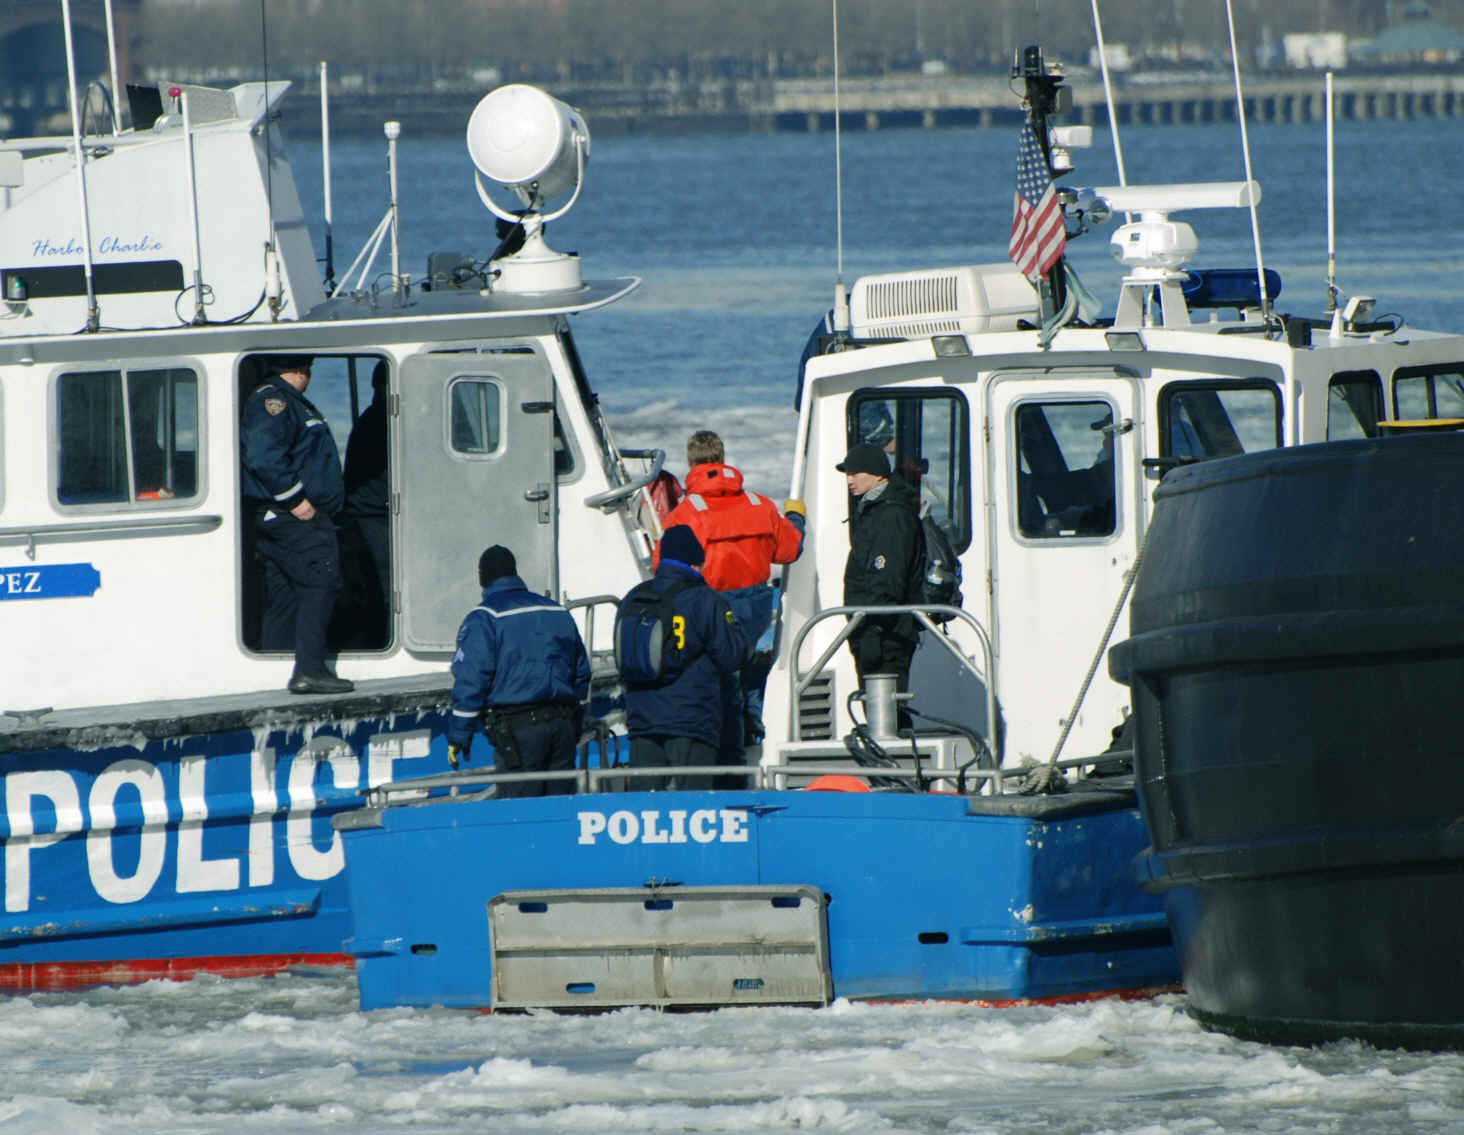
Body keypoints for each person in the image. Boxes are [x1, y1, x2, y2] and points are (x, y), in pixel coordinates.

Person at [657, 429, 805, 758]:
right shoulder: (759, 503)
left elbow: (663, 567)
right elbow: (790, 549)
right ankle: (753, 734)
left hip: (713, 608)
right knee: (750, 672)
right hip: (757, 609)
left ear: (690, 464)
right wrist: (796, 518)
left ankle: (727, 751)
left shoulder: (686, 513)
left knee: (721, 682)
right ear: (723, 460)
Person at [240, 355, 353, 695]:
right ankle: (310, 670)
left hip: (282, 518)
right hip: (290, 516)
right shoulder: (274, 402)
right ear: (300, 371)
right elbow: (263, 457)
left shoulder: (291, 402)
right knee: (322, 581)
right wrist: (295, 501)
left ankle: (278, 661)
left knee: (286, 594)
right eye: (308, 370)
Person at [448, 545, 591, 797]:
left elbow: (472, 679)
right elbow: (581, 671)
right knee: (561, 808)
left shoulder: (484, 617)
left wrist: (460, 734)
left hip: (519, 732)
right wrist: (575, 721)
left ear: (483, 577)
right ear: (514, 572)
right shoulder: (557, 611)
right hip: (562, 726)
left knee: (521, 812)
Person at [621, 525, 748, 789]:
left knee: (644, 805)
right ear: (693, 564)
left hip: (642, 720)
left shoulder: (633, 597)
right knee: (693, 802)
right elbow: (732, 656)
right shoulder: (705, 599)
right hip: (692, 720)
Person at [837, 440, 923, 707]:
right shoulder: (874, 509)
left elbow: (887, 578)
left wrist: (873, 630)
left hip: (886, 634)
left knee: (886, 713)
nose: (850, 480)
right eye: (847, 474)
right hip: (873, 629)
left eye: (856, 473)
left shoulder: (890, 514)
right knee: (882, 712)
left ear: (876, 474)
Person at [343, 360, 390, 612]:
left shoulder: (371, 419)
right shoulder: (381, 421)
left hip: (368, 513)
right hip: (373, 515)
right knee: (385, 586)